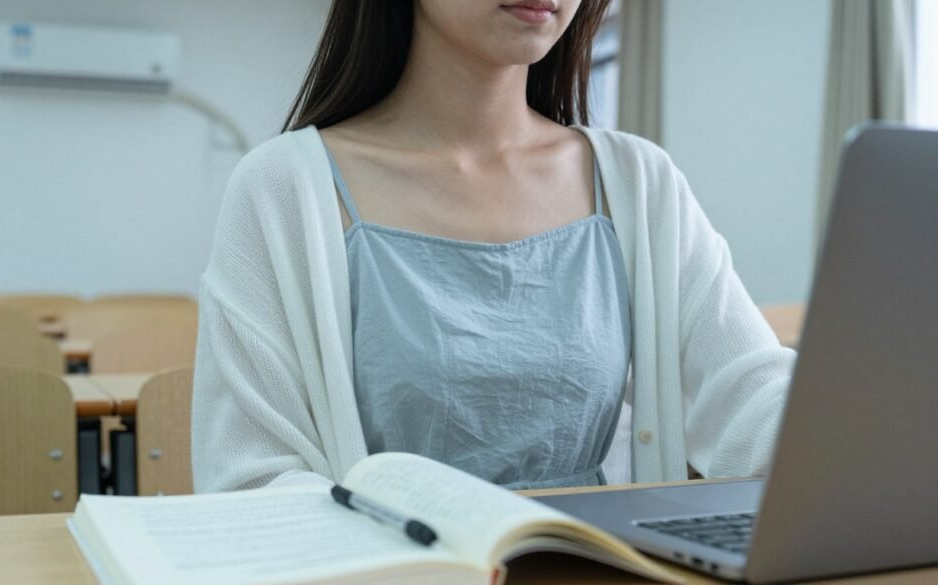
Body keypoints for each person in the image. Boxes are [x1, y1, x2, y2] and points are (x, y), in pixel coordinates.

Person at [191, 0, 796, 492]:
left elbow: (750, 397)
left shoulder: (639, 182)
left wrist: (869, 415)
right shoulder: (283, 188)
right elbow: (252, 479)